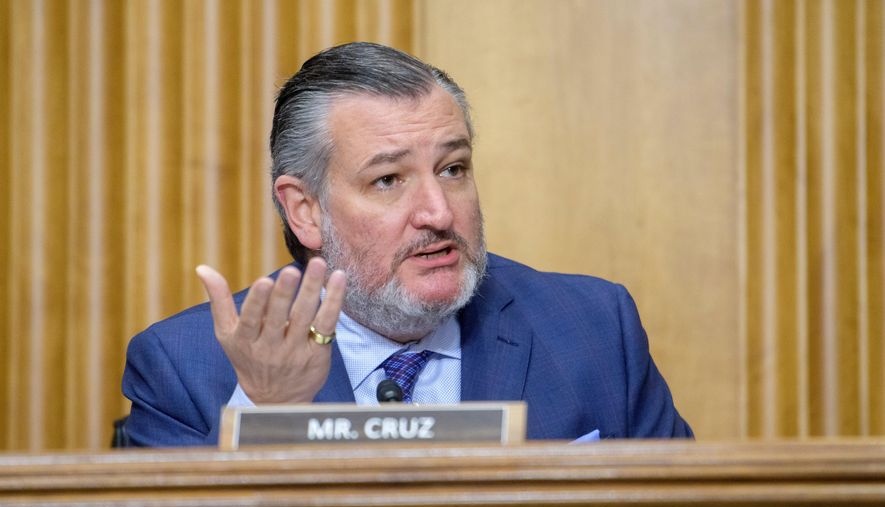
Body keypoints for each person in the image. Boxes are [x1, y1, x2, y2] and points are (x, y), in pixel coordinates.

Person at [121, 42, 692, 447]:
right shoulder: (185, 367)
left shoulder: (594, 330)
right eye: (388, 180)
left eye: (453, 168)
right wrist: (269, 417)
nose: (439, 213)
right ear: (305, 210)